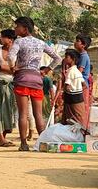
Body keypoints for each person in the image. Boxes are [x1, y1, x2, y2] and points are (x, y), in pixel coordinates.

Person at [7, 16, 62, 151]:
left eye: (17, 26)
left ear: (24, 29)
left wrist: (13, 67)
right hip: (37, 79)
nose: (15, 28)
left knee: (23, 113)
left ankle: (24, 144)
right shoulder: (41, 43)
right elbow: (57, 58)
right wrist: (47, 70)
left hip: (22, 79)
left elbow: (10, 57)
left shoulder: (19, 42)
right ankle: (42, 143)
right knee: (38, 114)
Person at [0, 29, 17, 147]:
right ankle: (1, 138)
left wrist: (1, 66)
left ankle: (4, 136)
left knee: (11, 109)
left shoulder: (17, 52)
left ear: (10, 39)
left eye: (2, 37)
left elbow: (18, 69)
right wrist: (11, 69)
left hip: (11, 84)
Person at [60, 49, 86, 126]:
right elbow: (84, 85)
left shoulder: (70, 71)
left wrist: (65, 91)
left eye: (67, 57)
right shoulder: (77, 71)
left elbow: (67, 86)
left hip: (71, 100)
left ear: (73, 59)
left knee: (70, 120)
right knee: (79, 119)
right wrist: (78, 90)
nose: (65, 59)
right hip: (79, 98)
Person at [74, 34, 92, 123]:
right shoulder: (81, 55)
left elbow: (78, 72)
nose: (75, 43)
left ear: (83, 45)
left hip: (82, 84)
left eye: (77, 41)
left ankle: (84, 126)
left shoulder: (84, 56)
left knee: (82, 107)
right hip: (81, 84)